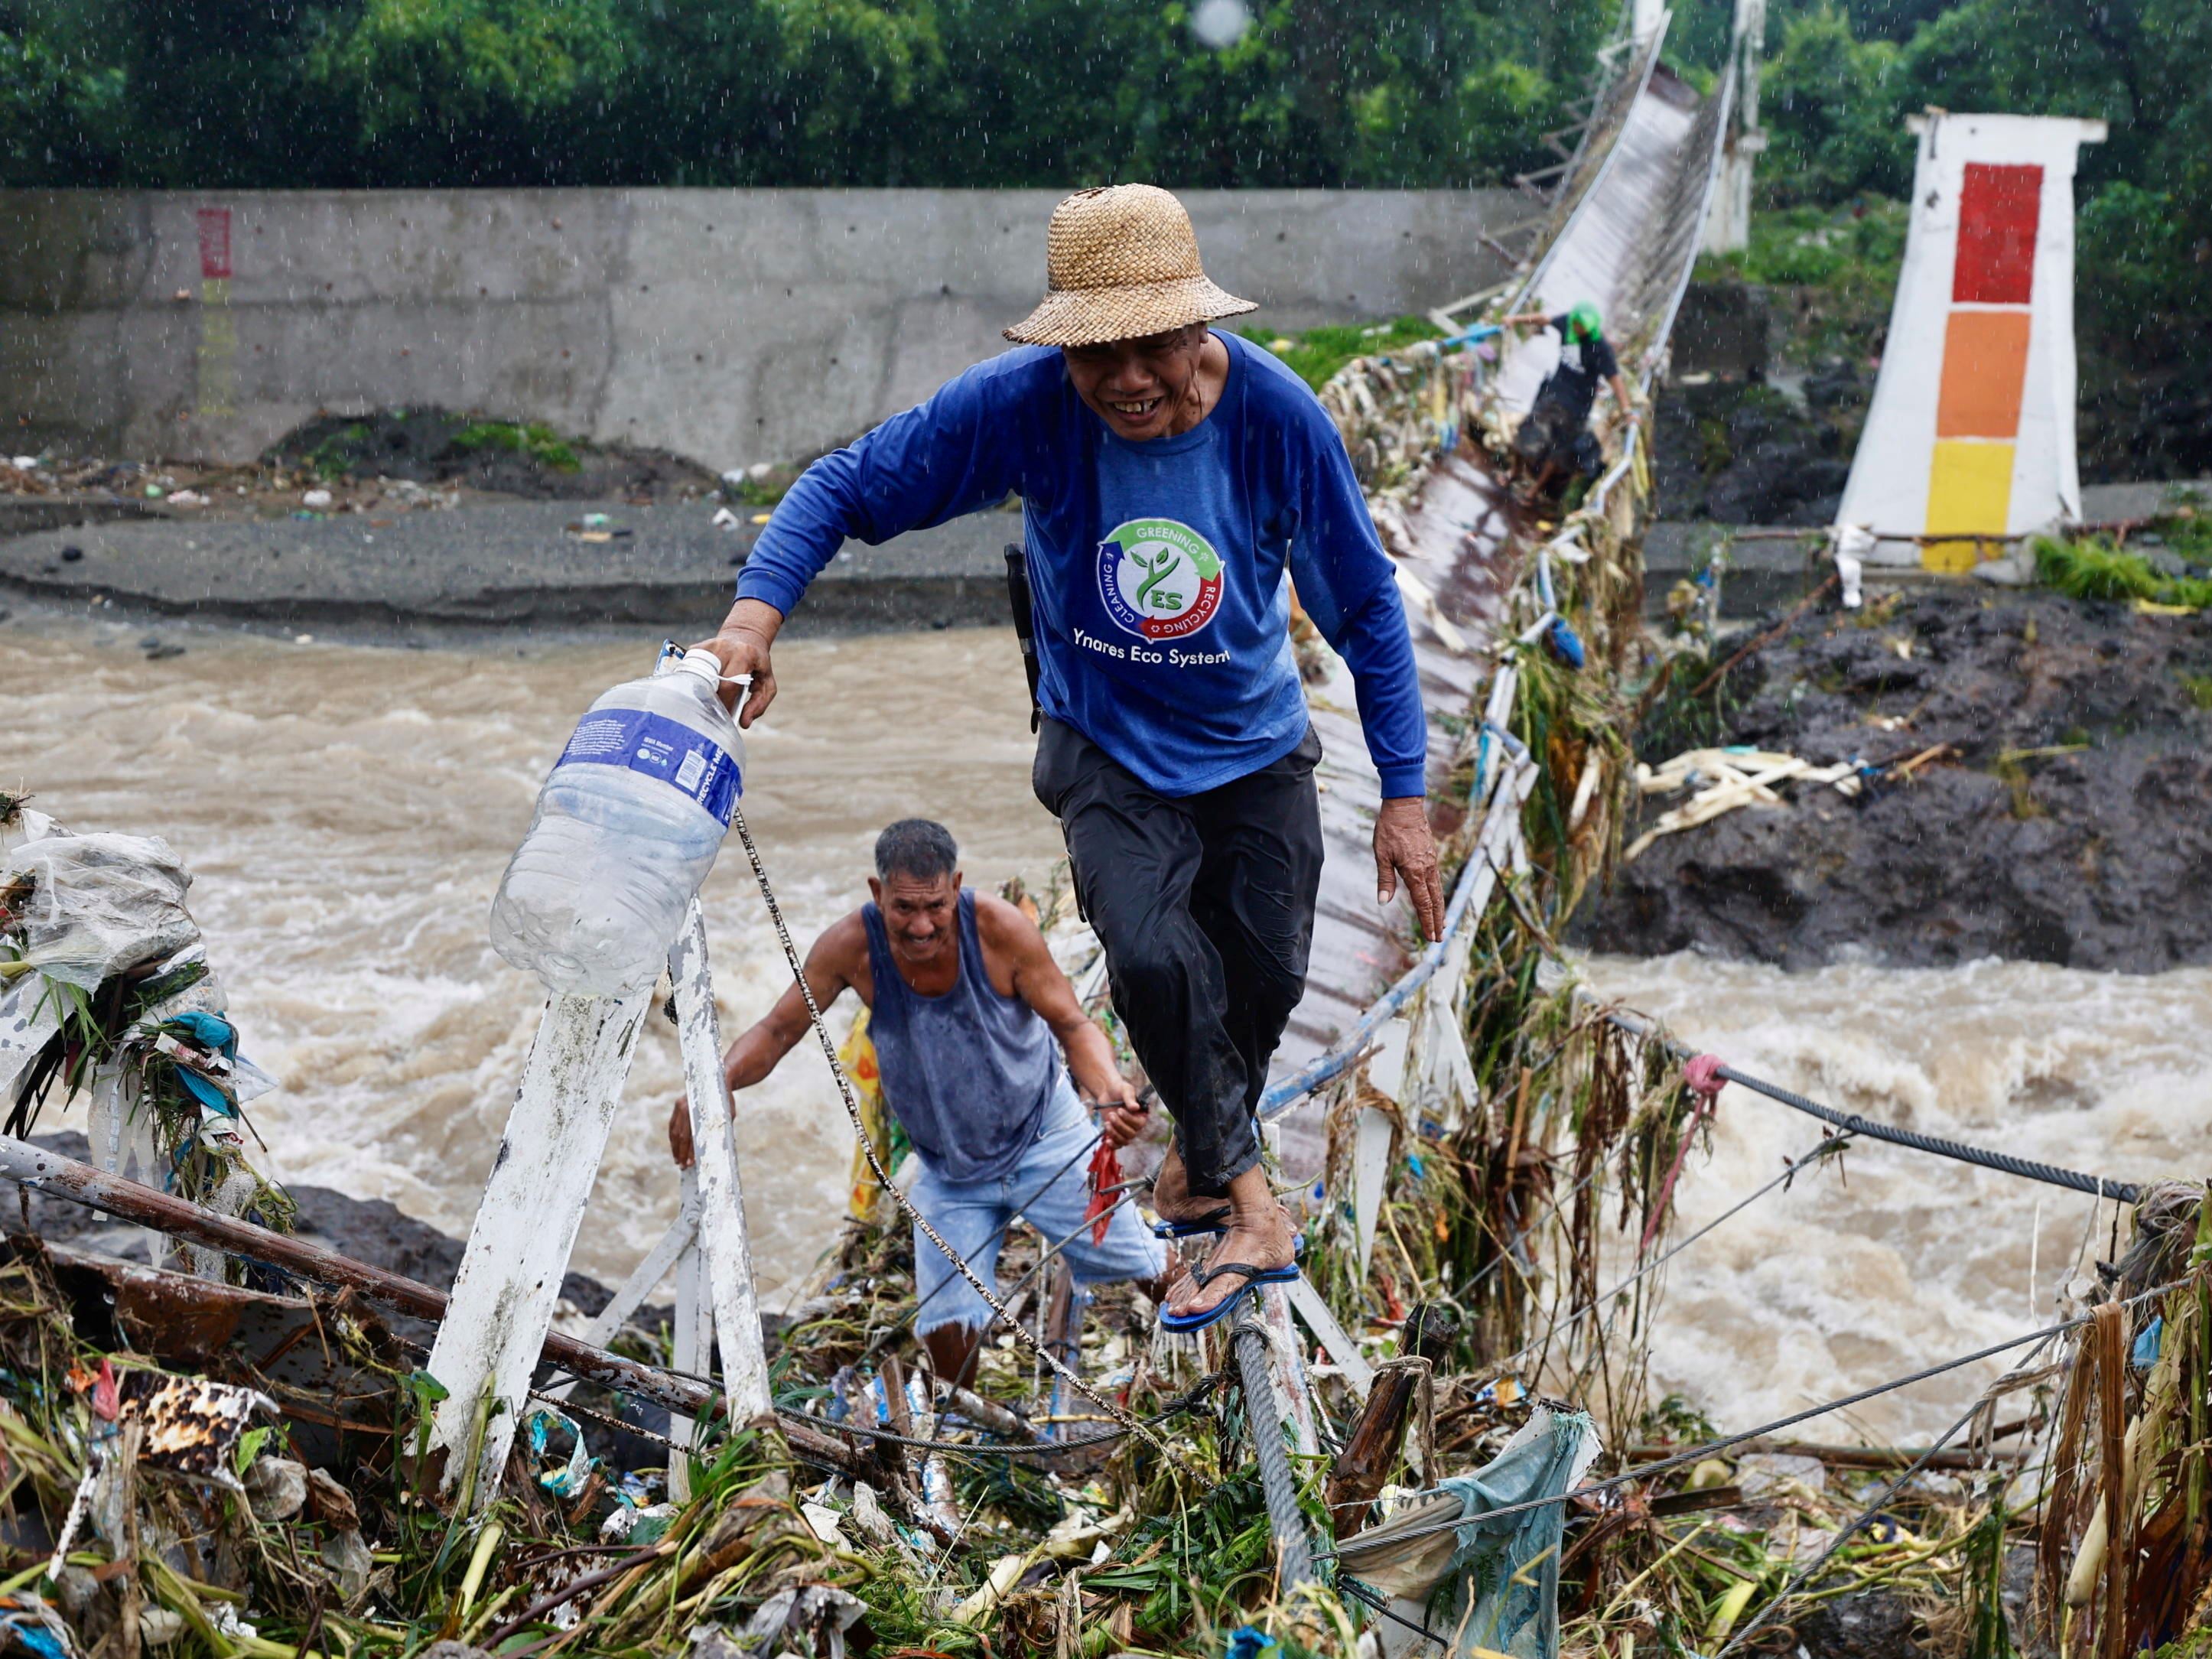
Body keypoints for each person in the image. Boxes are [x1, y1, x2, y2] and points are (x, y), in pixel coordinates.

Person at [691, 184, 1446, 1332]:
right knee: (1150, 956)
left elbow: (1367, 606)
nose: (1131, 380)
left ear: (1204, 330)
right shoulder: (1028, 408)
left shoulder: (1279, 421)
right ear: (1065, 351)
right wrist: (755, 619)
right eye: (1101, 355)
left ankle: (1200, 1157)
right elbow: (845, 486)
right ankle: (1254, 1208)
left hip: (1253, 746)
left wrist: (1404, 791)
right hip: (1107, 748)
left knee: (1269, 976)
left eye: (1155, 347)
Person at [669, 818, 1175, 1387]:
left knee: (1150, 1266)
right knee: (947, 1326)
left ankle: (1194, 1358)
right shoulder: (850, 949)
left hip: (1045, 1137)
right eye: (904, 907)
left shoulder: (999, 931)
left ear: (956, 885)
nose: (921, 924)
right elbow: (777, 1031)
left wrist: (1108, 1087)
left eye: (934, 905)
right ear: (875, 891)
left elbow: (1073, 1023)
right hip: (949, 1168)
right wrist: (716, 1080)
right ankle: (965, 1430)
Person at [1501, 301, 1633, 496]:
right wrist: (1515, 319)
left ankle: (1534, 491)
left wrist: (1627, 411)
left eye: (1582, 327)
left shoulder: (1601, 348)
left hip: (1577, 406)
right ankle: (1514, 472)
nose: (1578, 329)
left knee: (1559, 451)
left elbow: (1615, 379)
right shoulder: (1567, 323)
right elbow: (1543, 320)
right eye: (1576, 324)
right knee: (1527, 431)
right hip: (1554, 394)